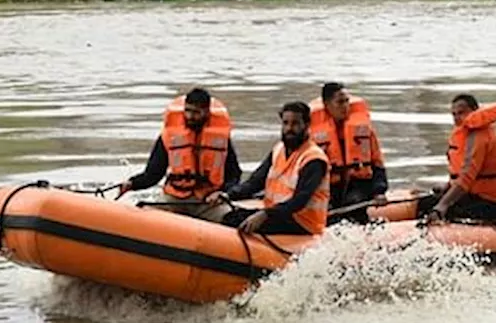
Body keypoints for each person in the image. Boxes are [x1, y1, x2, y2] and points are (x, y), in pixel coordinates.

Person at [116, 88, 241, 222]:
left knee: (233, 220)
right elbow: (153, 174)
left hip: (208, 202)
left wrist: (223, 193)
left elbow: (234, 174)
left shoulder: (220, 139)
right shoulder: (169, 137)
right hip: (174, 200)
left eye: (196, 112)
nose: (190, 116)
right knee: (147, 220)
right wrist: (132, 183)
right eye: (187, 111)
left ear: (206, 112)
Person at [207, 101, 330, 235]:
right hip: (279, 214)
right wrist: (228, 195)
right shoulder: (278, 150)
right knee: (231, 217)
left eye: (295, 124)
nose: (289, 128)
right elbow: (255, 182)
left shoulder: (314, 159)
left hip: (303, 222)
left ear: (306, 125)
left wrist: (265, 214)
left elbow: (299, 201)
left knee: (237, 222)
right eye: (286, 123)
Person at [420, 94, 496, 225]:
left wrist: (442, 206)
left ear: (475, 110)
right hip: (475, 196)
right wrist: (447, 187)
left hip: (492, 203)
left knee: (429, 209)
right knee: (425, 203)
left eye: (461, 113)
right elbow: (460, 173)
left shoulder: (479, 136)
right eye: (454, 114)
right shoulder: (467, 135)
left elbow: (467, 176)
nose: (457, 118)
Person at [309, 82, 388, 223]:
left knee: (354, 203)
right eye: (340, 102)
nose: (345, 106)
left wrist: (379, 191)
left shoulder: (365, 130)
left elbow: (377, 163)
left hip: (359, 184)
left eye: (347, 101)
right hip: (329, 188)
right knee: (327, 211)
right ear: (327, 105)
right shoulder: (311, 134)